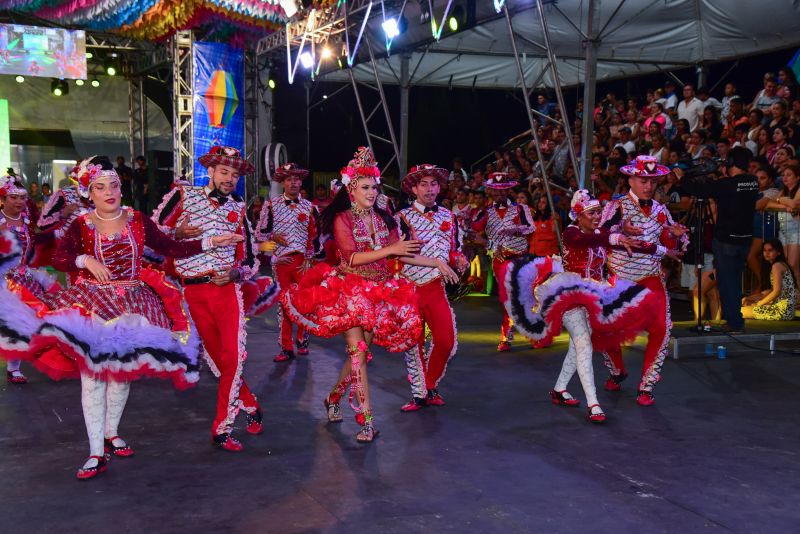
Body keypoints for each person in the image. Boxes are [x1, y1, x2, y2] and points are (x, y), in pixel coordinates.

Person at [0, 156, 238, 479]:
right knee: (94, 377)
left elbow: (170, 247)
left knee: (121, 374)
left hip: (132, 305)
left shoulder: (138, 219)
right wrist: (85, 260)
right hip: (92, 306)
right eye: (100, 187)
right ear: (89, 193)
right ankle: (95, 452)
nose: (109, 191)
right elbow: (60, 257)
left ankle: (112, 434)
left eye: (113, 185)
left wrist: (211, 241)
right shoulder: (82, 224)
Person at [281, 147, 452, 442]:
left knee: (357, 357)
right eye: (365, 187)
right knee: (358, 355)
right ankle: (367, 422)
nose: (372, 192)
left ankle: (333, 397)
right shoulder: (342, 219)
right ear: (351, 189)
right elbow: (350, 258)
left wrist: (436, 261)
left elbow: (405, 254)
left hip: (380, 293)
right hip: (351, 291)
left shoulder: (385, 219)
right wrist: (391, 250)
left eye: (374, 187)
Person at [506, 190, 670, 423]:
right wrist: (614, 236)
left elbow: (631, 243)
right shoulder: (571, 233)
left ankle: (560, 390)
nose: (597, 217)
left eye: (599, 212)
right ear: (579, 214)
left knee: (576, 347)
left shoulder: (601, 233)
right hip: (570, 294)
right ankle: (594, 404)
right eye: (592, 213)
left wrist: (664, 250)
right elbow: (587, 240)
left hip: (596, 295)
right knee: (584, 346)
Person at [151, 146, 265, 452]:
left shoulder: (240, 207)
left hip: (226, 292)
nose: (230, 179)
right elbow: (151, 231)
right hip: (193, 293)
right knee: (217, 359)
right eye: (224, 172)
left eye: (235, 174)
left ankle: (222, 428)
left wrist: (236, 275)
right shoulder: (184, 195)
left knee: (234, 357)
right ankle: (251, 405)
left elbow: (251, 258)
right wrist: (176, 231)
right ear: (211, 171)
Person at [599, 155, 689, 405]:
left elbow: (673, 243)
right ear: (630, 179)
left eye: (651, 181)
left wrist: (677, 236)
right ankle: (617, 371)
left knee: (662, 328)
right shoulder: (616, 207)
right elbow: (600, 234)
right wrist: (620, 230)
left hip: (650, 277)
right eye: (642, 180)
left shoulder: (661, 210)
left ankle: (647, 385)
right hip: (621, 280)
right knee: (605, 329)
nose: (648, 186)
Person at [395, 164, 467, 412]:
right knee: (413, 344)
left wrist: (459, 259)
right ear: (414, 189)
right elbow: (400, 256)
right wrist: (436, 262)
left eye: (433, 184)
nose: (429, 189)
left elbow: (453, 249)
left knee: (446, 341)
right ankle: (419, 394)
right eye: (423, 184)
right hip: (410, 287)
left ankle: (429, 384)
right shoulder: (402, 217)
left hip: (436, 287)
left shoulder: (449, 216)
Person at [678, 147, 759, 333]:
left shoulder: (727, 184)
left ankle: (734, 322)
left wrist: (683, 177)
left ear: (731, 163)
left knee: (726, 282)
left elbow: (699, 190)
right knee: (735, 281)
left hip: (726, 241)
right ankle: (735, 320)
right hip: (745, 241)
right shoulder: (753, 182)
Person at [256, 163, 319, 362]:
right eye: (289, 179)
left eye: (297, 179)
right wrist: (274, 241)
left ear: (301, 183)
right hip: (282, 262)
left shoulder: (310, 207)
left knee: (304, 303)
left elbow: (315, 237)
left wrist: (309, 259)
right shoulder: (271, 205)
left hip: (303, 262)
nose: (294, 183)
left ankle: (302, 340)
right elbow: (259, 233)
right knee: (284, 304)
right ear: (283, 183)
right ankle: (286, 347)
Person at [0, 175, 56, 383]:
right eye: (13, 197)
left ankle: (14, 367)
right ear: (3, 199)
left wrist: (56, 234)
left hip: (24, 278)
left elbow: (35, 241)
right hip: (3, 279)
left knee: (23, 322)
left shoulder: (25, 220)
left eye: (22, 198)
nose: (18, 202)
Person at [471, 172, 535, 351]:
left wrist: (516, 230)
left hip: (520, 258)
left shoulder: (521, 209)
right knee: (507, 298)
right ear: (490, 191)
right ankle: (506, 337)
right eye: (496, 191)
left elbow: (531, 228)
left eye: (503, 191)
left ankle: (533, 331)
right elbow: (474, 233)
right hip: (499, 260)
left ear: (508, 190)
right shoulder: (486, 212)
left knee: (523, 296)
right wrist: (489, 244)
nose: (499, 194)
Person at [742, 239, 797, 320]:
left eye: (770, 250)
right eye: (764, 250)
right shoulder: (781, 264)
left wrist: (758, 304)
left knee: (740, 311)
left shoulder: (777, 266)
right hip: (787, 310)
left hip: (781, 311)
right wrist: (750, 299)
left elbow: (776, 291)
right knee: (747, 305)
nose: (766, 253)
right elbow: (770, 292)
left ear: (778, 252)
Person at [766, 164, 800, 286]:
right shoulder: (782, 191)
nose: (785, 178)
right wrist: (784, 204)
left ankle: (797, 298)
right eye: (783, 175)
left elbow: (794, 204)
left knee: (793, 266)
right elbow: (769, 204)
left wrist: (780, 201)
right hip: (783, 230)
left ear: (797, 177)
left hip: (795, 230)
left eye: (789, 175)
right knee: (785, 265)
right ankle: (791, 295)